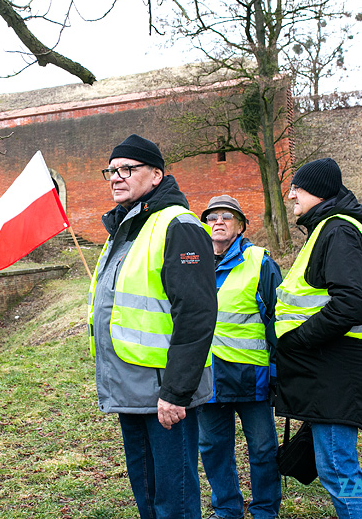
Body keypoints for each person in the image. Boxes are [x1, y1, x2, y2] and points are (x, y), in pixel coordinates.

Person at [87, 134, 217, 519]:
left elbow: (196, 314)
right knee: (148, 495)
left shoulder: (178, 226)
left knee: (173, 500)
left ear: (157, 175)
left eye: (128, 169)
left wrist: (176, 391)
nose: (116, 177)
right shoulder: (126, 229)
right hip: (131, 387)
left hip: (165, 393)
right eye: (111, 170)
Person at [274, 157, 362, 519]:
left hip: (333, 369)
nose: (291, 196)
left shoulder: (338, 230)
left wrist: (299, 339)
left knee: (337, 467)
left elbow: (351, 303)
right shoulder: (327, 228)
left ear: (315, 191)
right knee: (334, 464)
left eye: (297, 189)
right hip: (327, 369)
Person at [198, 195, 282, 519]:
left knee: (262, 450)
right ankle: (227, 510)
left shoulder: (260, 262)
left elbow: (279, 318)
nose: (218, 221)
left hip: (252, 377)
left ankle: (264, 511)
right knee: (214, 450)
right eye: (212, 217)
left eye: (227, 217)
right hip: (207, 379)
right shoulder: (193, 264)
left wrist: (279, 371)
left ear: (240, 226)